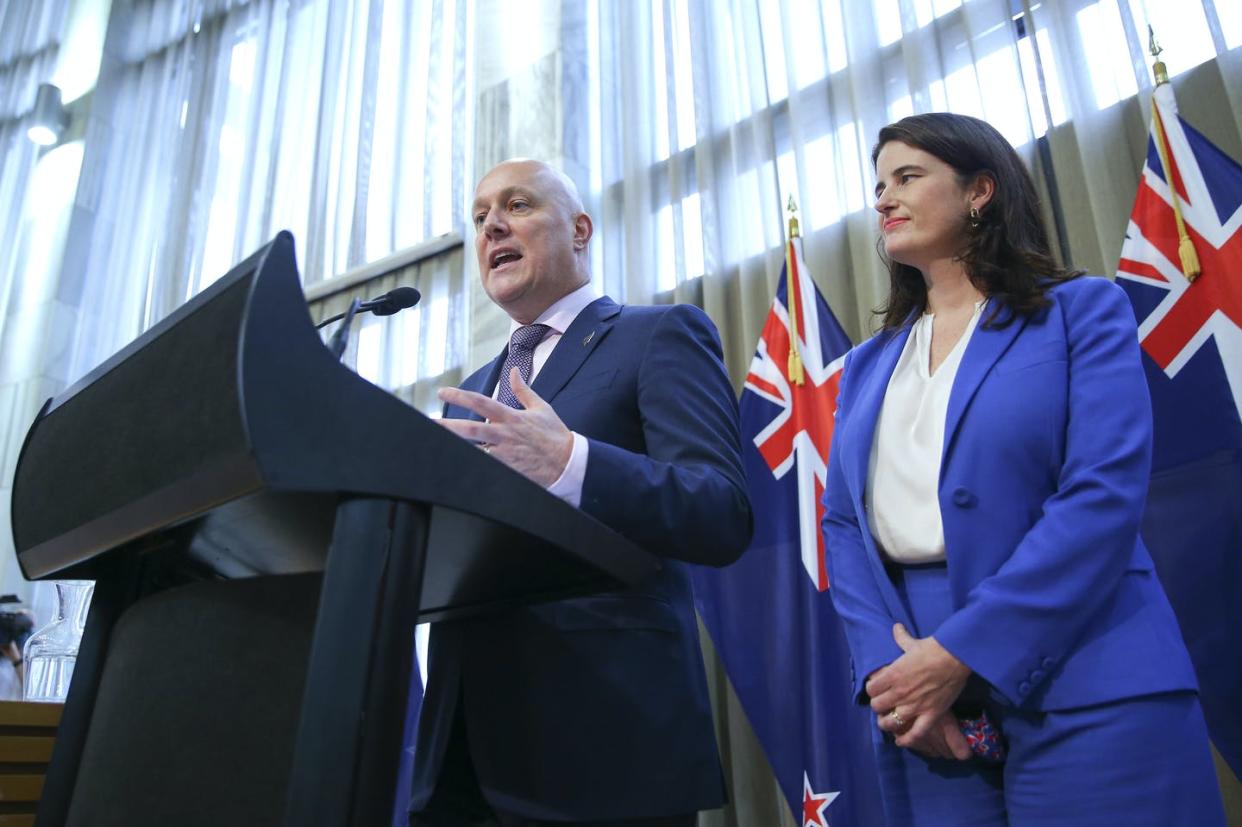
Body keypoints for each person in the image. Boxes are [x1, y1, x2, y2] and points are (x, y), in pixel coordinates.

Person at [821, 112, 1226, 825]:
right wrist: (895, 674)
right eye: (878, 184)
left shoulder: (1081, 311)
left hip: (1087, 670)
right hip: (920, 699)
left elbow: (1101, 495)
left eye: (908, 176)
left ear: (981, 191)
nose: (882, 198)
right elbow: (844, 523)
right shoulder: (863, 366)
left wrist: (961, 650)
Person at [407, 159, 753, 827]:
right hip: (462, 756)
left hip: (603, 736)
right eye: (479, 219)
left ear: (580, 229)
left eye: (517, 206)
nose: (493, 226)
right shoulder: (472, 389)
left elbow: (720, 509)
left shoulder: (656, 336)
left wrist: (573, 462)